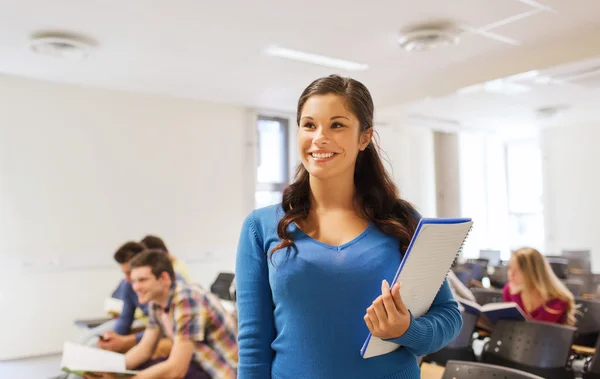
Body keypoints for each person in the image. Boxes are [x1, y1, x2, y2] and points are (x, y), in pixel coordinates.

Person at [235, 74, 462, 378]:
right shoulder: (259, 227)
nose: (319, 137)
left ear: (364, 137)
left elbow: (448, 316)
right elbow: (253, 343)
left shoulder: (401, 219)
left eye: (337, 125)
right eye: (309, 125)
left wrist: (407, 329)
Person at [84, 250, 238, 379]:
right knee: (144, 366)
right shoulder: (156, 304)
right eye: (134, 281)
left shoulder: (187, 300)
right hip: (196, 361)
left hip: (221, 370)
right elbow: (144, 350)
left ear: (164, 278)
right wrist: (108, 368)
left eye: (142, 280)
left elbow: (177, 369)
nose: (135, 287)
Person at [503, 247, 576, 325]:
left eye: (518, 270)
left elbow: (535, 330)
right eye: (510, 268)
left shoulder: (558, 299)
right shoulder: (509, 290)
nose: (511, 274)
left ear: (534, 273)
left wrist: (515, 297)